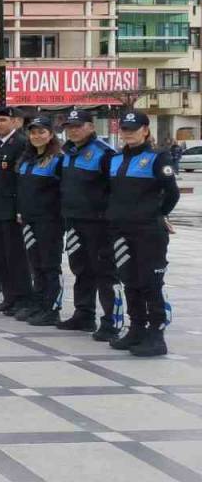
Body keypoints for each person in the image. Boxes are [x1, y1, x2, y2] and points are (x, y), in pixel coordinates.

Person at [105, 110, 180, 357]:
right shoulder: (116, 159)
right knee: (130, 281)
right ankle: (136, 328)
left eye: (134, 129)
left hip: (148, 231)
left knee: (151, 283)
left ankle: (156, 335)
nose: (128, 134)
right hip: (121, 230)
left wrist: (158, 214)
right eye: (124, 130)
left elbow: (172, 193)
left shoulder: (158, 157)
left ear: (145, 130)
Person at [58, 109, 120, 339]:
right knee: (81, 269)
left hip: (99, 224)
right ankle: (84, 314)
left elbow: (116, 189)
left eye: (78, 126)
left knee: (105, 272)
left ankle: (111, 321)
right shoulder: (68, 152)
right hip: (74, 221)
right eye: (69, 127)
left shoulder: (104, 153)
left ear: (91, 127)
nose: (73, 130)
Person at [15, 116, 64, 327]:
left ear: (51, 135)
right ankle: (39, 304)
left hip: (50, 221)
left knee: (50, 265)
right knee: (36, 264)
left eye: (41, 132)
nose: (36, 136)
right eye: (33, 132)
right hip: (29, 220)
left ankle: (52, 308)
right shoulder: (27, 159)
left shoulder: (58, 159)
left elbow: (63, 192)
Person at [0, 108, 31, 312]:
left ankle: (22, 298)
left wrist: (20, 209)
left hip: (11, 209)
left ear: (16, 122)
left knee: (16, 257)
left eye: (3, 120)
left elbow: (20, 180)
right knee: (1, 256)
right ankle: (9, 296)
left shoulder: (20, 143)